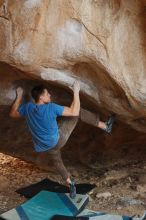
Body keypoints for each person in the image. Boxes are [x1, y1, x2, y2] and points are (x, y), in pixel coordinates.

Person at [9, 80, 115, 198]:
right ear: (42, 97)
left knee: (57, 161)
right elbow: (74, 111)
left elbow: (13, 114)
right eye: (47, 93)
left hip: (44, 146)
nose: (50, 95)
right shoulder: (50, 107)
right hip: (57, 140)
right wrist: (76, 91)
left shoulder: (28, 107)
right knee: (78, 112)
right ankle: (105, 126)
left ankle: (70, 183)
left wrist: (19, 96)